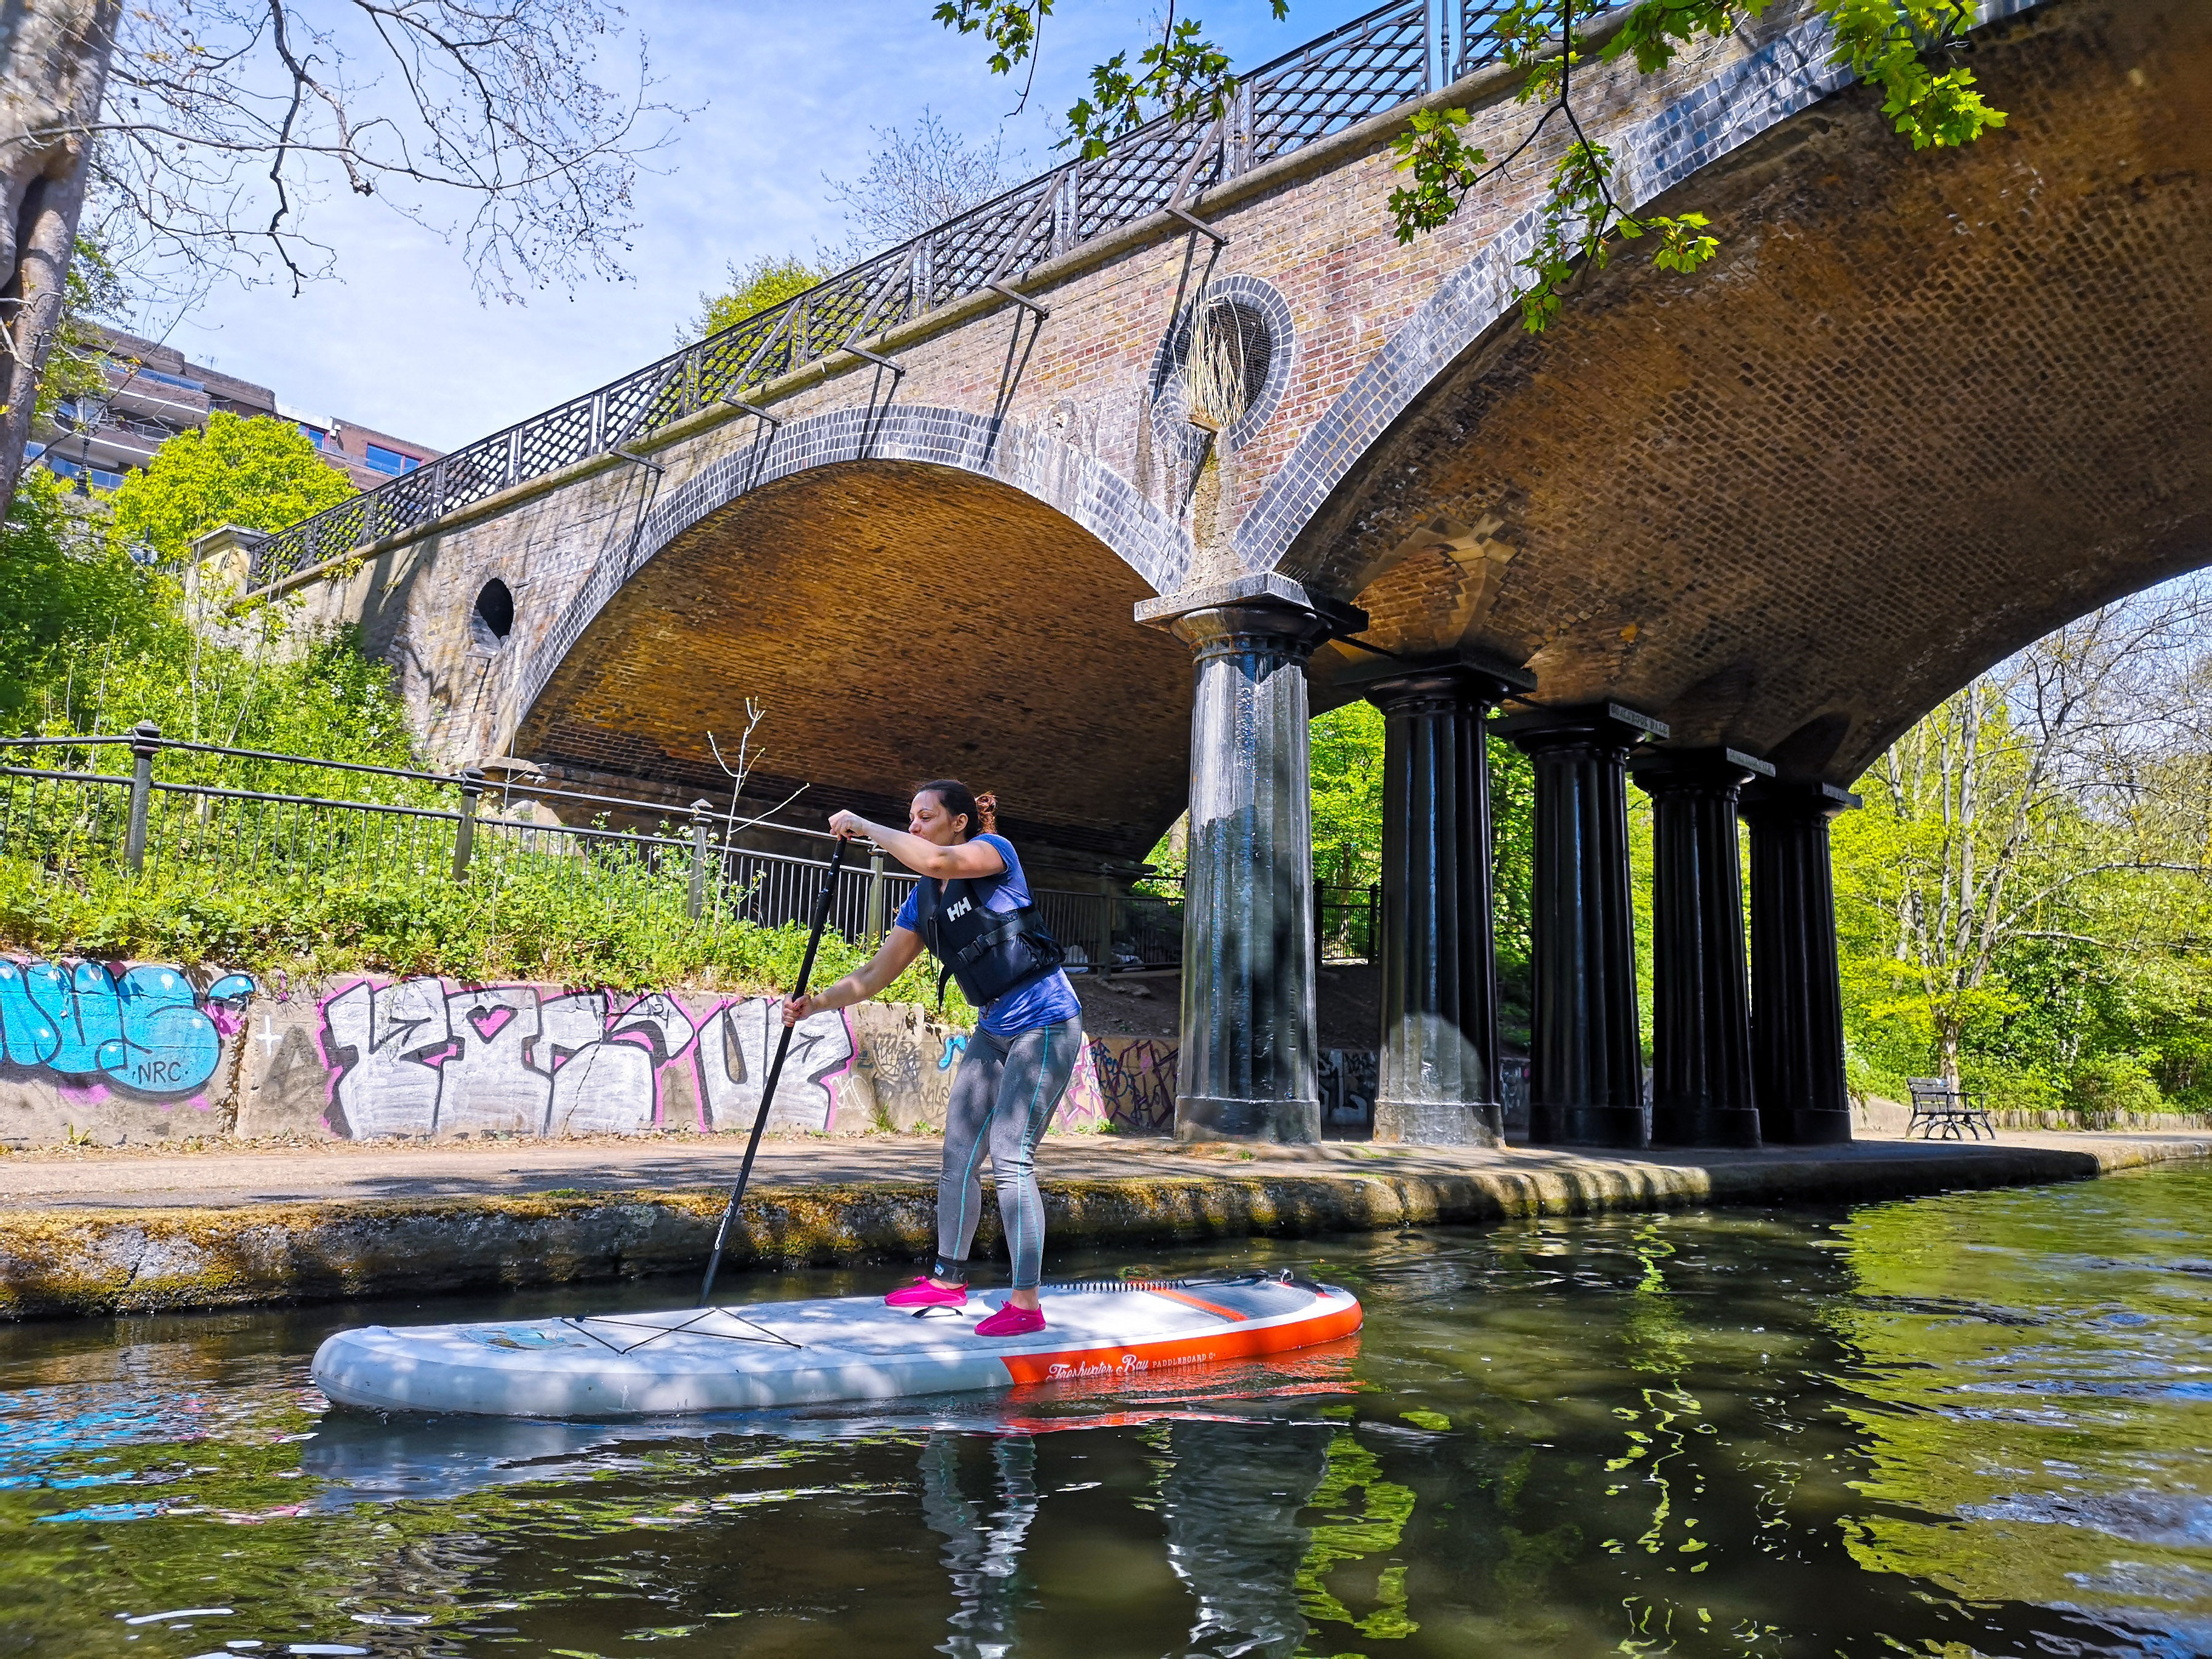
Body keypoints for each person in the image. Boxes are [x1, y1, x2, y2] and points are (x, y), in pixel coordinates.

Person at [782, 780, 1084, 1335]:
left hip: (1046, 1022)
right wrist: (814, 1004)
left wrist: (869, 829)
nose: (915, 826)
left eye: (925, 817)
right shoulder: (923, 902)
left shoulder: (995, 854)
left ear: (959, 822)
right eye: (911, 818)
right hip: (994, 1026)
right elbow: (874, 975)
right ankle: (948, 1281)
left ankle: (1026, 1305)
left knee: (1011, 1156)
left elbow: (936, 858)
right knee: (958, 1154)